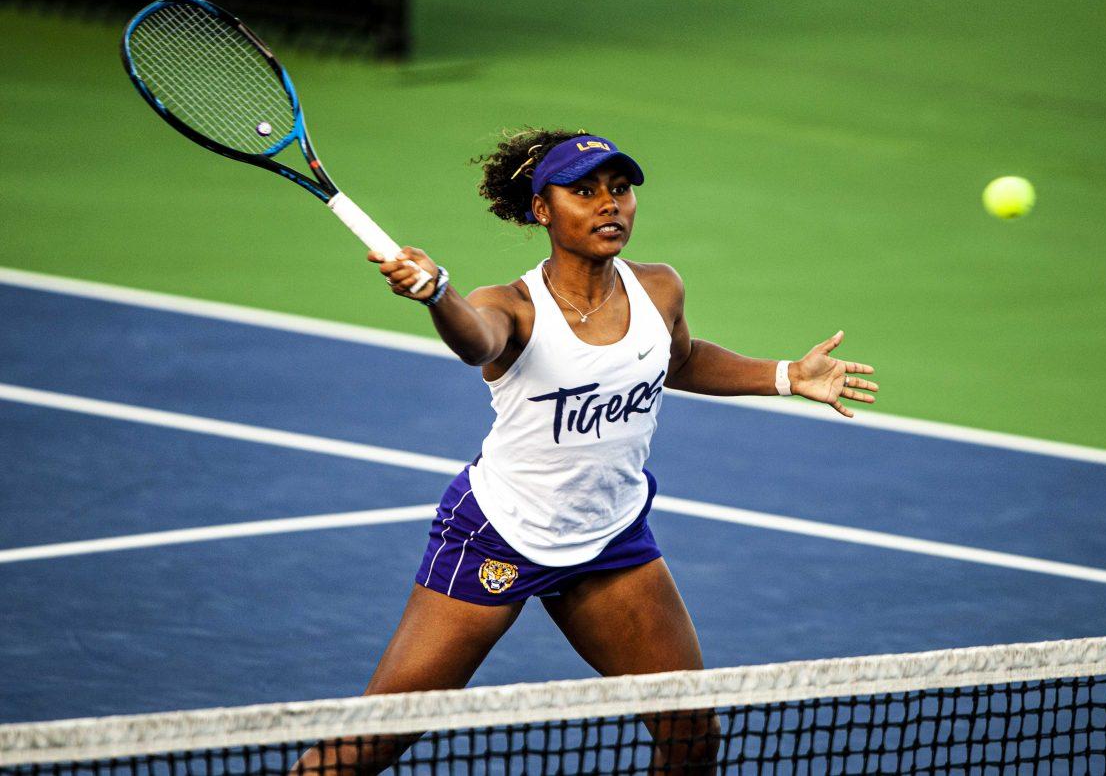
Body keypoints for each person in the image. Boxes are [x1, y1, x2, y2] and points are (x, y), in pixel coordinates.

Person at [295, 129, 877, 774]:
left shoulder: (658, 289)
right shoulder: (508, 307)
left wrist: (786, 375)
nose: (610, 205)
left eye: (620, 190)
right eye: (585, 191)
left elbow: (678, 361)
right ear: (541, 209)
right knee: (373, 742)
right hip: (499, 536)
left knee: (692, 736)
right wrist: (438, 295)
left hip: (610, 539)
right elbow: (476, 343)